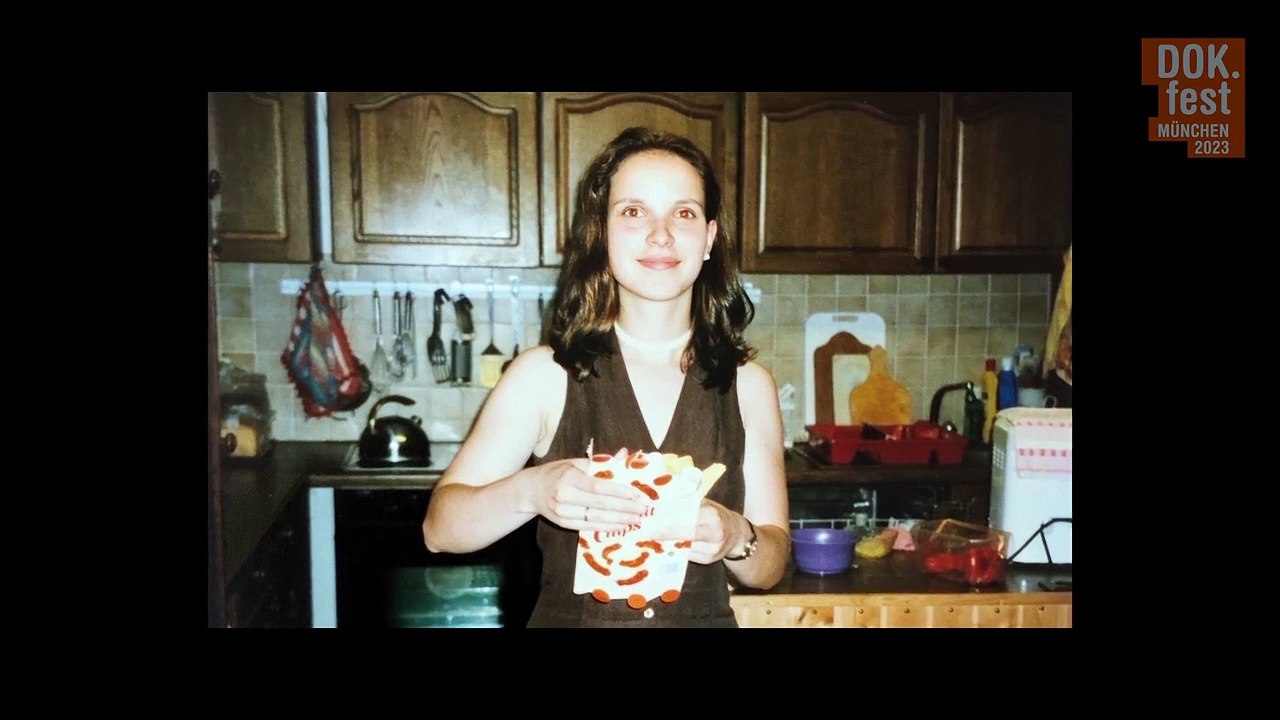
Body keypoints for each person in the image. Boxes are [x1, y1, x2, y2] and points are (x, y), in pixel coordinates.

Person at [422, 126, 790, 627]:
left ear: (708, 238)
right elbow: (440, 530)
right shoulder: (544, 375)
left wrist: (735, 535)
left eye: (683, 213)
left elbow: (770, 565)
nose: (660, 234)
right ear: (602, 232)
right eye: (633, 212)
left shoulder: (749, 385)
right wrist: (533, 490)